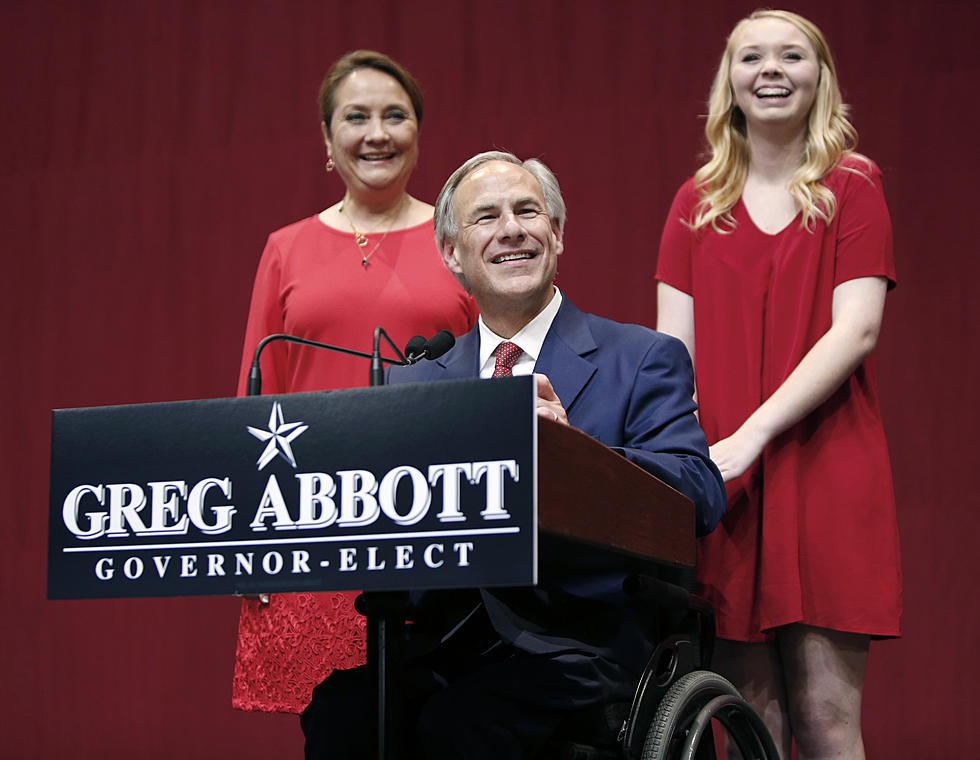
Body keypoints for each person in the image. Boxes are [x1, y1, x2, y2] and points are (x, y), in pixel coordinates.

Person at [299, 151, 726, 759]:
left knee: (463, 726)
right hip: (446, 636)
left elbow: (699, 495)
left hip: (583, 642)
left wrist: (576, 454)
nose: (512, 229)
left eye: (529, 211)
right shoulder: (412, 385)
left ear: (556, 234)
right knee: (344, 715)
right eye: (487, 217)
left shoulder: (640, 357)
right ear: (452, 255)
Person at [655, 10, 901, 759]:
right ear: (727, 81)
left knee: (825, 718)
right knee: (745, 717)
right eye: (752, 56)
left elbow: (856, 330)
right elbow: (671, 355)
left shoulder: (852, 186)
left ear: (820, 78)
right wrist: (691, 456)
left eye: (792, 56)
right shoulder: (696, 201)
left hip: (824, 466)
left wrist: (754, 433)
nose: (771, 69)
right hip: (726, 482)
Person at [233, 51, 477, 715]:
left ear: (418, 134)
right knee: (335, 727)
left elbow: (499, 370)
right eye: (357, 117)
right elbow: (258, 392)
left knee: (444, 723)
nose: (378, 133)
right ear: (327, 139)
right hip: (315, 520)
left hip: (439, 517)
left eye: (395, 116)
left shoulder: (462, 240)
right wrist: (249, 537)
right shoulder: (285, 248)